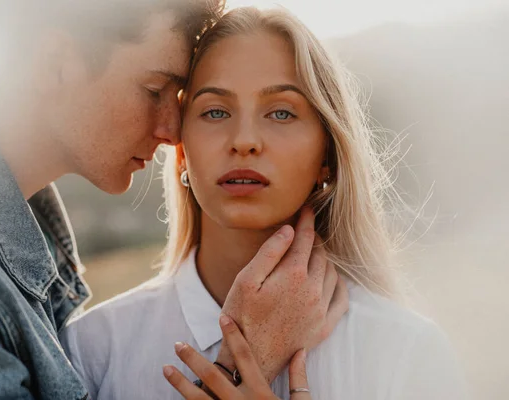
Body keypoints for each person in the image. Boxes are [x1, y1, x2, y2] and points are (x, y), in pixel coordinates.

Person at [0, 1, 349, 399]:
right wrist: (241, 361)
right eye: (155, 89)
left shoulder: (9, 250)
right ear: (57, 63)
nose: (175, 132)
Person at [61, 6, 469, 400]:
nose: (244, 141)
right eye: (216, 111)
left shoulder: (408, 352)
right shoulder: (92, 349)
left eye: (280, 113)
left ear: (326, 156)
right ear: (182, 153)